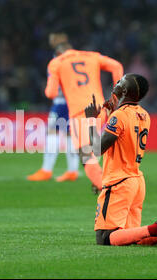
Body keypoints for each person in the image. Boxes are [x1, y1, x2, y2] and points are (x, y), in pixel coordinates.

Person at [84, 73, 157, 248]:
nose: (117, 82)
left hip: (118, 182)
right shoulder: (144, 115)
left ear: (125, 90)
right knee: (131, 238)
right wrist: (112, 110)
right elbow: (123, 134)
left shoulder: (120, 116)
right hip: (136, 181)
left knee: (105, 238)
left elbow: (98, 149)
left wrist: (91, 121)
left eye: (121, 81)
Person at [44, 38, 123, 192]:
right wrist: (116, 97)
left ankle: (105, 188)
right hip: (100, 110)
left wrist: (54, 79)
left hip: (79, 113)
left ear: (58, 53)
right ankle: (105, 182)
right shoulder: (92, 56)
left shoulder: (56, 62)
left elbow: (51, 93)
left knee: (85, 154)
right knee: (93, 148)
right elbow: (117, 66)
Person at [27, 33, 79, 182]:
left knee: (52, 133)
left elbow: (53, 88)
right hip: (75, 102)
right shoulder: (77, 61)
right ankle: (72, 171)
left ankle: (46, 170)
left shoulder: (58, 62)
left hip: (62, 102)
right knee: (70, 135)